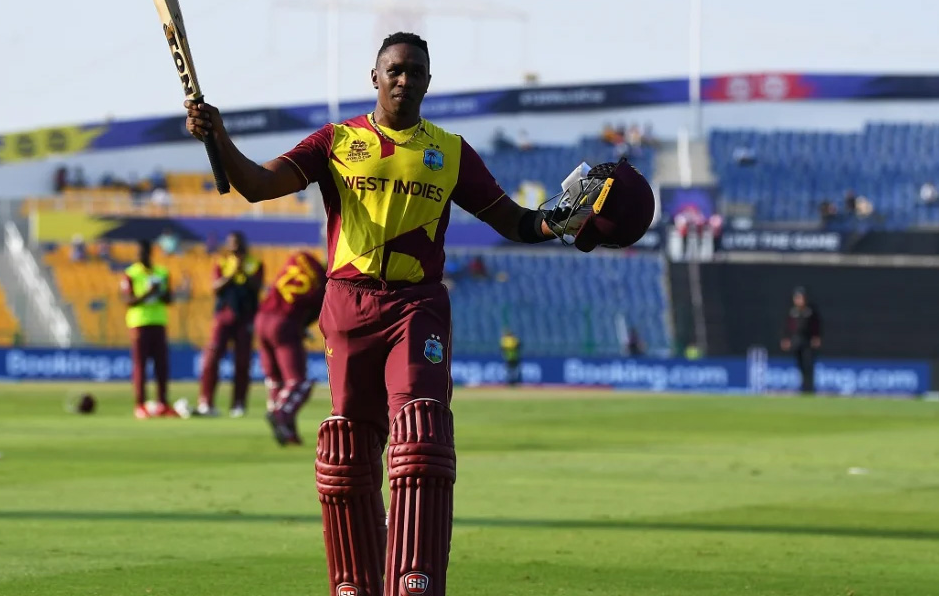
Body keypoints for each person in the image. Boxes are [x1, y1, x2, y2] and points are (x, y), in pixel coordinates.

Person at [183, 31, 655, 596]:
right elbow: (258, 186)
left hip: (417, 307)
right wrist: (220, 136)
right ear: (374, 77)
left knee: (421, 434)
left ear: (429, 82)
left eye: (416, 72)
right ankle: (355, 583)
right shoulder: (336, 141)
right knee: (349, 450)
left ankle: (415, 581)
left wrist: (558, 221)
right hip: (347, 304)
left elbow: (513, 221)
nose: (405, 79)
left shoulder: (450, 151)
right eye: (395, 70)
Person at [180, 231, 263, 417]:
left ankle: (238, 404)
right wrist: (233, 273)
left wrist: (243, 272)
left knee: (242, 362)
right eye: (231, 243)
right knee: (212, 357)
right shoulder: (222, 263)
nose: (234, 246)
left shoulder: (255, 264)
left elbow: (258, 287)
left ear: (243, 243)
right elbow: (215, 287)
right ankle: (206, 402)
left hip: (246, 318)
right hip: (224, 316)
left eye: (237, 242)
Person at [257, 250, 327, 446]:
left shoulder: (301, 257)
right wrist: (302, 325)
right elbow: (319, 310)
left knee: (276, 380)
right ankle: (279, 414)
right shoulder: (327, 282)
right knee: (299, 382)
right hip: (284, 323)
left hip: (262, 318)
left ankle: (288, 432)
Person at [119, 239, 176, 419]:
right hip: (139, 324)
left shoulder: (162, 273)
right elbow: (128, 300)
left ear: (149, 253)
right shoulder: (130, 274)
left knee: (162, 366)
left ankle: (162, 403)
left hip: (159, 322)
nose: (140, 257)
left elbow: (169, 299)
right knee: (141, 366)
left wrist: (161, 292)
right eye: (138, 254)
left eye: (142, 253)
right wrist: (148, 293)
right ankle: (140, 405)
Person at [781, 287, 822, 395]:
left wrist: (816, 337)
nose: (799, 300)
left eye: (801, 298)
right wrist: (786, 339)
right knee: (800, 366)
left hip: (807, 342)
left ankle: (809, 389)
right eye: (797, 298)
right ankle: (803, 389)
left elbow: (816, 326)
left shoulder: (810, 311)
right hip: (797, 341)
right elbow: (788, 327)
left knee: (808, 364)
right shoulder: (792, 312)